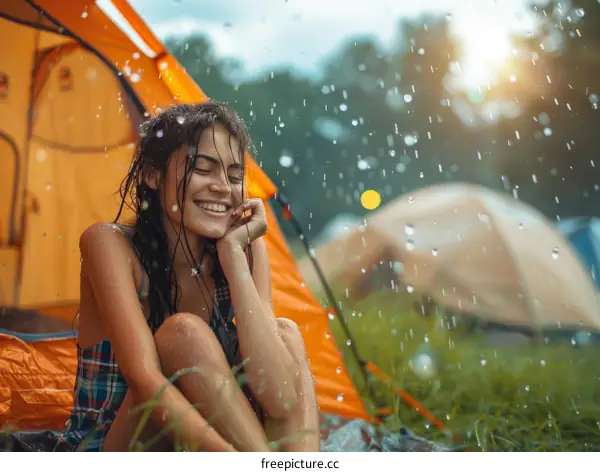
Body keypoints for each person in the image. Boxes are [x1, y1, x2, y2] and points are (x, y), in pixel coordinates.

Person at [54, 101, 320, 452]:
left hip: (202, 447)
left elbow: (282, 397)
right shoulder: (109, 243)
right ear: (152, 175)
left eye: (235, 176)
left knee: (285, 333)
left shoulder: (244, 250)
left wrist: (233, 256)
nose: (223, 187)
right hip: (114, 445)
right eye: (203, 168)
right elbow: (145, 382)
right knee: (184, 333)